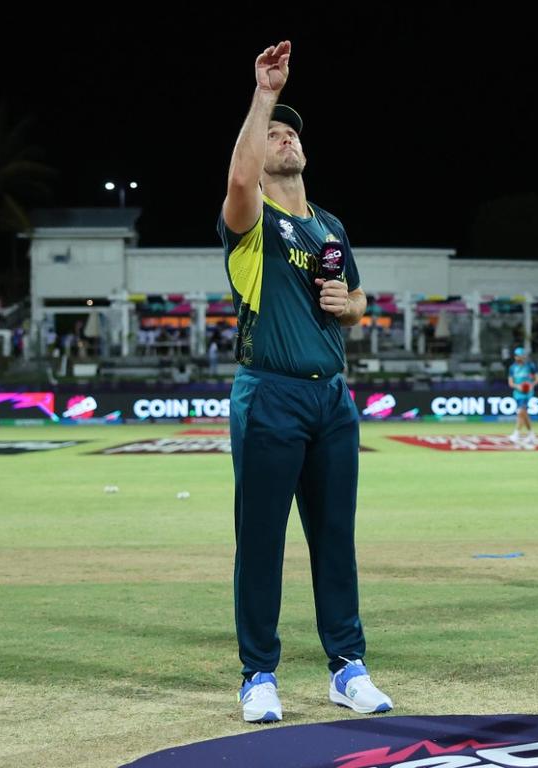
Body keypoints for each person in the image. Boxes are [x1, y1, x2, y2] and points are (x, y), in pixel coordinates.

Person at [218, 40, 391, 724]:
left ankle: (347, 667)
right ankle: (258, 674)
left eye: (290, 131)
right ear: (259, 155)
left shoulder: (330, 225)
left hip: (331, 399)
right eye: (272, 134)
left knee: (335, 539)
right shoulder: (253, 221)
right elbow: (236, 187)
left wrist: (354, 306)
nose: (283, 139)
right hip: (270, 393)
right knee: (261, 540)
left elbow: (357, 301)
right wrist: (263, 96)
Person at [507, 346, 538, 447]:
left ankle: (516, 434)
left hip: (527, 393)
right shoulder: (512, 368)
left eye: (520, 356)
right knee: (524, 414)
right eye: (516, 356)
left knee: (521, 412)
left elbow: (537, 377)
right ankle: (531, 435)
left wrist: (532, 385)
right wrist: (518, 386)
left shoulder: (530, 366)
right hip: (518, 393)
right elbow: (510, 382)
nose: (518, 358)